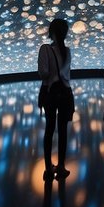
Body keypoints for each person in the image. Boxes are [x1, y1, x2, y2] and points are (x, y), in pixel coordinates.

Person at [37, 18, 75, 181]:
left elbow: (43, 73)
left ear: (51, 32)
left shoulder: (45, 49)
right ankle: (61, 167)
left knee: (49, 129)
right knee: (63, 131)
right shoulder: (67, 51)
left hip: (51, 93)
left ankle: (48, 168)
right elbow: (67, 76)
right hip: (66, 93)